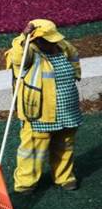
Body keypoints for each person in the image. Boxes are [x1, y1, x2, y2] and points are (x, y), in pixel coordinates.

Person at [5, 19, 82, 193]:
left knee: (65, 146)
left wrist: (76, 73)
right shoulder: (27, 50)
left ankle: (64, 177)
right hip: (39, 113)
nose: (52, 42)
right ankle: (25, 183)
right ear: (36, 39)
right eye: (47, 40)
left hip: (67, 111)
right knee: (32, 150)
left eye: (53, 39)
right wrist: (23, 37)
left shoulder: (62, 46)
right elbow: (17, 59)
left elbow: (74, 56)